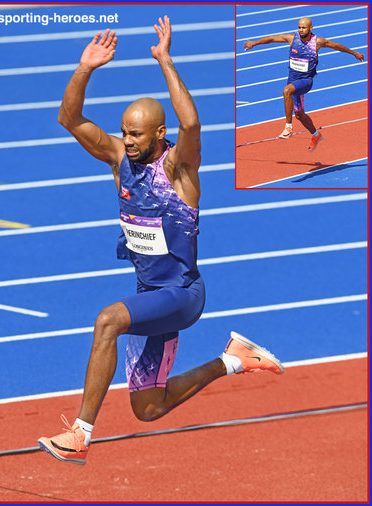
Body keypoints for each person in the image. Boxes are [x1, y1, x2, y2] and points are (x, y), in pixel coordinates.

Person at [38, 16, 284, 466]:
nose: (126, 141)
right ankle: (234, 359)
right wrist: (84, 68)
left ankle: (79, 434)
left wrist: (165, 61)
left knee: (107, 320)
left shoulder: (179, 171)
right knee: (147, 408)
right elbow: (68, 118)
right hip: (150, 294)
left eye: (135, 134)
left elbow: (192, 124)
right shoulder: (118, 159)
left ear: (159, 134)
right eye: (124, 132)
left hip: (182, 295)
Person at [243, 17, 365, 152]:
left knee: (286, 91)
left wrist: (354, 53)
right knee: (300, 115)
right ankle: (316, 135)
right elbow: (272, 39)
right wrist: (254, 43)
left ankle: (288, 127)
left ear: (310, 28)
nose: (301, 30)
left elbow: (336, 46)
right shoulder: (291, 39)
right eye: (299, 27)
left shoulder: (317, 42)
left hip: (306, 81)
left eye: (304, 28)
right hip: (293, 81)